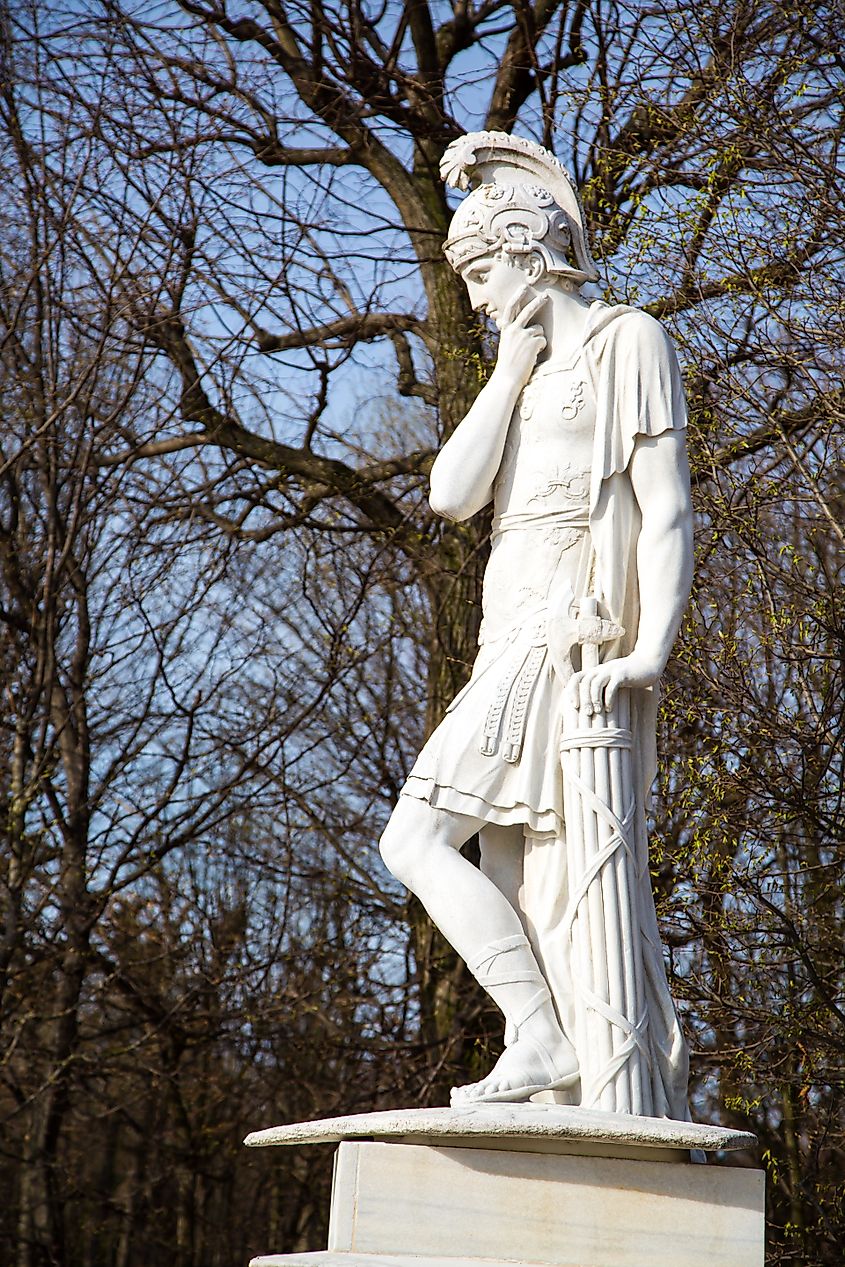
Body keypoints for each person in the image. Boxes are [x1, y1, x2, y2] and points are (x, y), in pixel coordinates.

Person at [379, 132, 693, 1114]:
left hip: (559, 635)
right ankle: (570, 1083)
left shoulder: (624, 339)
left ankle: (539, 1035)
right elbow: (448, 494)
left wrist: (649, 649)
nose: (470, 292)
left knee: (415, 836)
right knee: (528, 884)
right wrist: (509, 367)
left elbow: (668, 506)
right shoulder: (518, 368)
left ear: (525, 251)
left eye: (478, 269)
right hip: (502, 634)